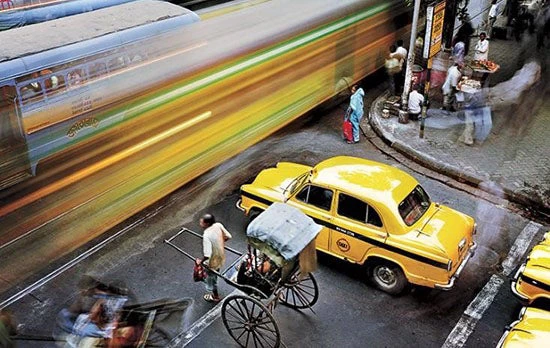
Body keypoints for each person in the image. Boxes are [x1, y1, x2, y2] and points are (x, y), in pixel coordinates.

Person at [197, 213, 232, 303]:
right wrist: (219, 243)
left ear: (207, 224)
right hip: (221, 256)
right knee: (215, 273)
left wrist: (200, 261)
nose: (200, 222)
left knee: (211, 278)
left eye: (202, 222)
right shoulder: (218, 225)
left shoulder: (206, 235)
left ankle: (215, 296)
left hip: (212, 262)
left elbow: (207, 255)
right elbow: (228, 236)